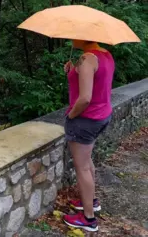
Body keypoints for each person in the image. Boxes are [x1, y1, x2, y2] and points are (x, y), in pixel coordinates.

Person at [62, 40, 115, 232]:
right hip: (102, 116)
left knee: (82, 167)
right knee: (87, 161)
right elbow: (97, 80)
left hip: (85, 119)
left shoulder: (86, 60)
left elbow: (84, 98)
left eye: (75, 35)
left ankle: (88, 218)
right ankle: (91, 201)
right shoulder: (105, 55)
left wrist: (71, 115)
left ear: (83, 37)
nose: (72, 39)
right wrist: (73, 72)